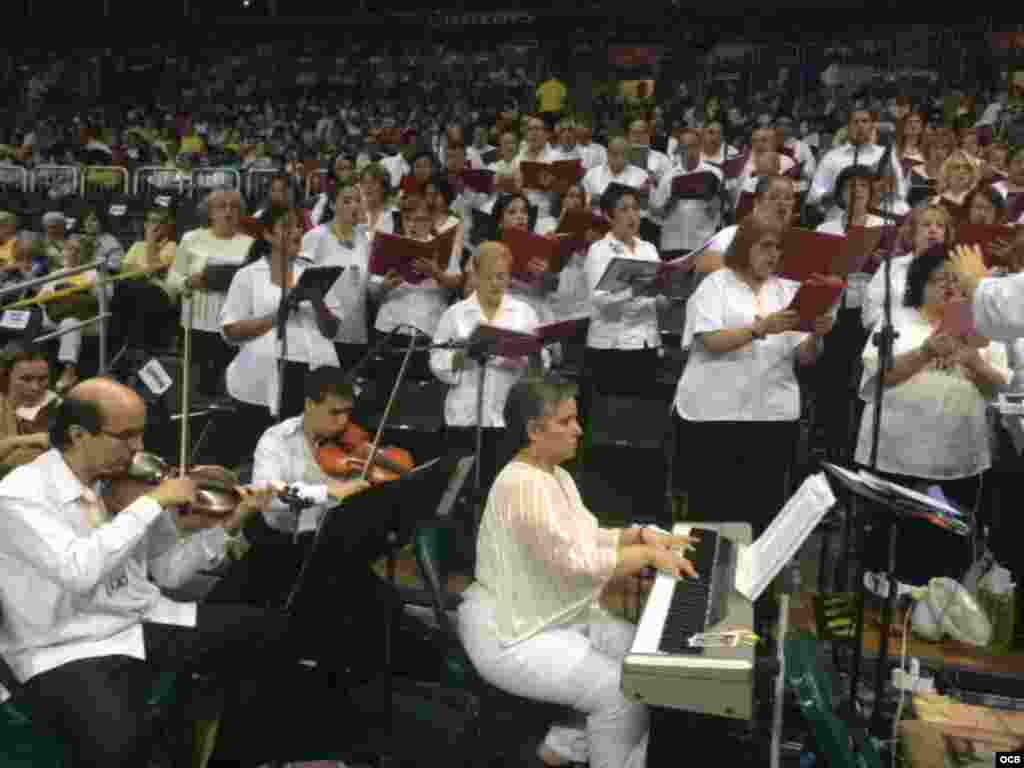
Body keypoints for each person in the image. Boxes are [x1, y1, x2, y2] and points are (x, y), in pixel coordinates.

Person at [0, 377, 284, 768]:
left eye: (141, 434)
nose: (139, 449)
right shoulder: (21, 496)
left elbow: (166, 573)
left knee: (272, 634)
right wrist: (150, 504)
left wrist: (226, 525)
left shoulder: (112, 484)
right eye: (126, 436)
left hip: (139, 621)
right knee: (123, 747)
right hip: (65, 647)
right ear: (79, 434)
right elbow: (79, 570)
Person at [457, 371, 697, 768]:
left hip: (536, 613)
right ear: (534, 430)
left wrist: (638, 536)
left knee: (639, 655)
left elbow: (587, 537)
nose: (579, 430)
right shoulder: (523, 485)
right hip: (510, 634)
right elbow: (578, 565)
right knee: (620, 692)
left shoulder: (553, 475)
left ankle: (564, 746)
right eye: (566, 421)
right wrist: (650, 557)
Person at [856, 245, 1009, 585]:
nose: (949, 289)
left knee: (943, 545)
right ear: (919, 284)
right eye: (940, 281)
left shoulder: (983, 328)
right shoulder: (896, 320)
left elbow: (999, 387)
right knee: (889, 543)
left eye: (956, 281)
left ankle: (935, 609)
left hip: (956, 457)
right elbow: (878, 377)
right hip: (896, 452)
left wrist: (974, 362)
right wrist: (924, 351)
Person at [674, 212, 832, 538]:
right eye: (765, 246)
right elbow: (711, 341)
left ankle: (755, 585)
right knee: (711, 509)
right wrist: (760, 328)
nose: (773, 254)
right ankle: (703, 582)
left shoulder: (788, 290)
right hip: (713, 414)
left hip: (771, 413)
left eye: (778, 248)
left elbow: (804, 356)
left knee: (763, 509)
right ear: (745, 247)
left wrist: (817, 335)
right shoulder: (715, 285)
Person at [206, 366, 369, 610]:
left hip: (335, 547)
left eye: (348, 413)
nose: (344, 422)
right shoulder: (276, 440)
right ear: (309, 405)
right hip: (279, 547)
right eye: (334, 412)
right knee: (224, 609)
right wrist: (328, 491)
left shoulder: (352, 444)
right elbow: (269, 497)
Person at [220, 204, 343, 453]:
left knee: (311, 450)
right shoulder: (249, 275)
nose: (296, 232)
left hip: (315, 372)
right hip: (266, 374)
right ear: (268, 235)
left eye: (298, 226)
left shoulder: (312, 271)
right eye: (287, 226)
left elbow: (332, 330)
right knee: (269, 449)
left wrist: (317, 300)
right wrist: (278, 316)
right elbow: (231, 330)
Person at [430, 241, 540, 497]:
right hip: (464, 416)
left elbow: (537, 366)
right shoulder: (455, 314)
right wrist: (463, 356)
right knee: (458, 491)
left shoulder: (524, 313)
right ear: (475, 276)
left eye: (502, 276)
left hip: (507, 419)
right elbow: (437, 361)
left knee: (502, 494)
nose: (496, 284)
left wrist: (527, 357)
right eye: (489, 277)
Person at [166, 188, 255, 398]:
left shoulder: (250, 244)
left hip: (235, 327)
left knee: (231, 388)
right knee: (197, 391)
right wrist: (189, 281)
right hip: (196, 325)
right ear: (209, 212)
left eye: (234, 206)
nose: (228, 211)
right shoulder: (191, 238)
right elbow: (172, 279)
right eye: (221, 206)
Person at [0, 342, 55, 477]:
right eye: (26, 379)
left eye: (42, 379)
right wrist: (32, 439)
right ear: (6, 378)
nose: (35, 388)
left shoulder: (55, 404)